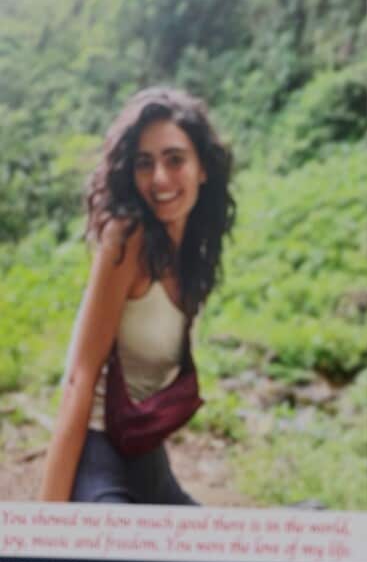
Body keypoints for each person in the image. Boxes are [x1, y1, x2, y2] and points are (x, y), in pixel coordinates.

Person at [39, 87, 234, 504]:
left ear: (202, 168)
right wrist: (47, 524)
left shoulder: (192, 252)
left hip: (146, 458)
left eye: (175, 159)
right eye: (145, 164)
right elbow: (79, 377)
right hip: (97, 454)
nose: (160, 178)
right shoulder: (127, 239)